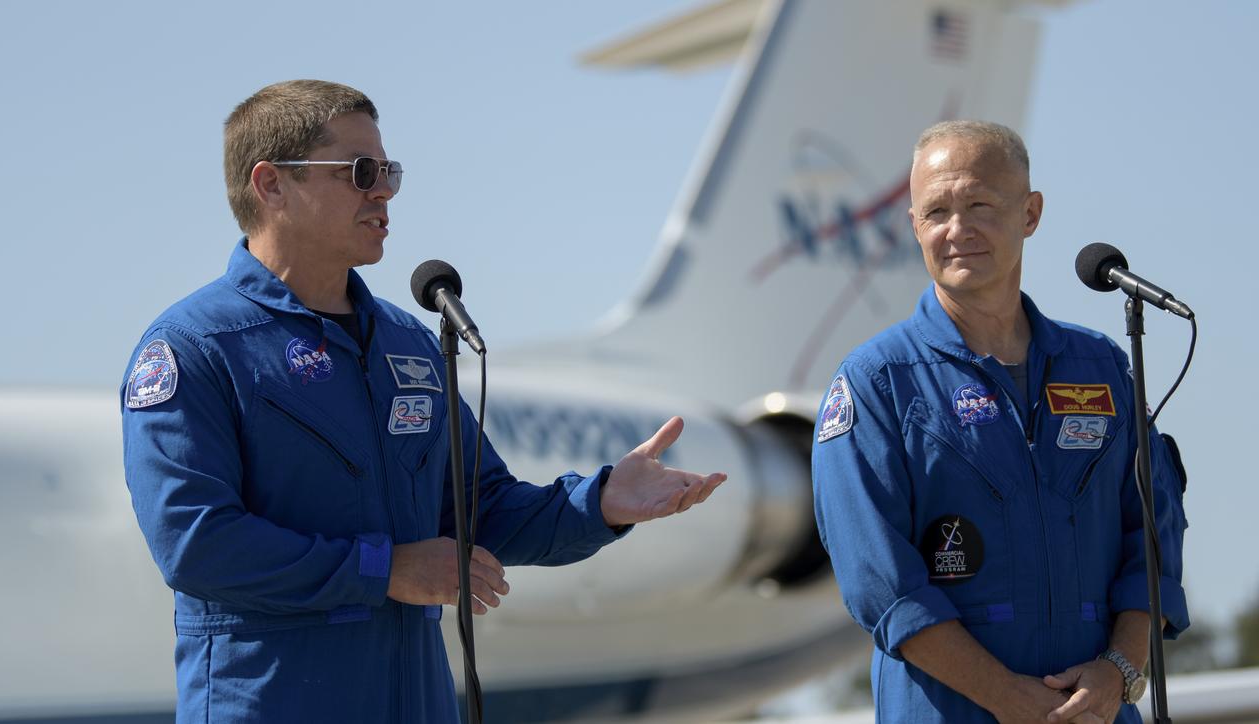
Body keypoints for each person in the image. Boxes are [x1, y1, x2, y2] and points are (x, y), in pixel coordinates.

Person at [120, 79, 727, 723]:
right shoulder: (195, 347)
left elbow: (478, 509)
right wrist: (385, 571)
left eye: (388, 171)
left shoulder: (407, 342)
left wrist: (600, 502)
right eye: (359, 171)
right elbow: (195, 542)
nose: (382, 189)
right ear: (271, 185)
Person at [812, 121, 1188, 723]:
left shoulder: (1102, 368)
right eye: (935, 212)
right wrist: (1010, 701)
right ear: (914, 227)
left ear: (1031, 213)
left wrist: (1117, 672)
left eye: (980, 204)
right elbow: (881, 585)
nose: (957, 230)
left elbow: (1153, 543)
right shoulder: (876, 383)